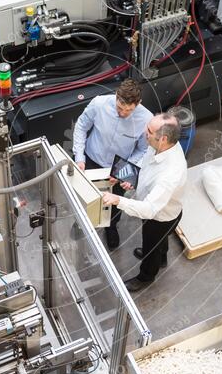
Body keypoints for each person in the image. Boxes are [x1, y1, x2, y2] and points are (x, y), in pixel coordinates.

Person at [102, 113, 188, 292]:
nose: (144, 133)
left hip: (160, 218)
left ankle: (146, 276)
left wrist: (118, 199)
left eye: (148, 131)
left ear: (163, 138)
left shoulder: (170, 174)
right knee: (159, 243)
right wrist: (127, 175)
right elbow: (147, 165)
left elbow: (149, 210)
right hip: (163, 210)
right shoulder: (161, 145)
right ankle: (161, 258)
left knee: (151, 246)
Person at [73, 79, 152, 249]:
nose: (123, 113)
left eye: (128, 110)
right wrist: (79, 158)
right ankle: (81, 221)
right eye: (119, 108)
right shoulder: (99, 104)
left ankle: (111, 226)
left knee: (115, 202)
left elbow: (144, 150)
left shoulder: (147, 120)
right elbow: (81, 127)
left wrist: (126, 171)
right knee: (85, 197)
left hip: (120, 166)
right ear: (116, 96)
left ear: (138, 104)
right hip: (91, 159)